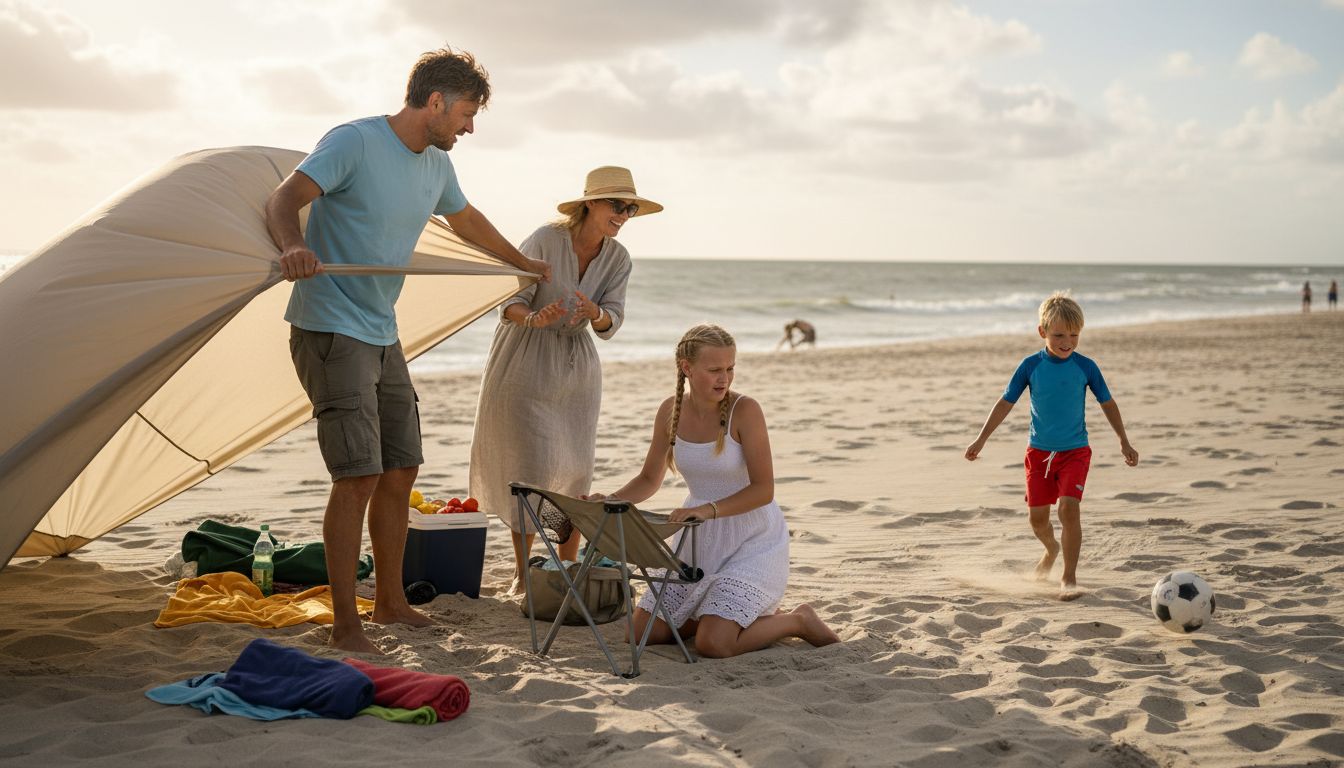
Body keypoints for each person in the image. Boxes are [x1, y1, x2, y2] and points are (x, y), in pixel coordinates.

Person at [264, 48, 551, 654]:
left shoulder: (436, 168)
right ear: (437, 101)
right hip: (330, 326)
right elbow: (282, 200)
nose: (469, 128)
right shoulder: (355, 142)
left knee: (401, 468)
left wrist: (521, 264)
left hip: (380, 328)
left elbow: (467, 221)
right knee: (358, 474)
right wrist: (292, 245)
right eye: (467, 114)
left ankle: (390, 602)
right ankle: (347, 621)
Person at [588, 324, 840, 658]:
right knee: (641, 634)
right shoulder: (669, 412)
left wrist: (708, 510)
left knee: (714, 644)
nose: (725, 379)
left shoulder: (745, 410)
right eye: (714, 370)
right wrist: (609, 500)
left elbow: (764, 490)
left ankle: (797, 620)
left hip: (752, 538)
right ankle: (721, 615)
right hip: (697, 538)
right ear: (686, 367)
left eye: (730, 369)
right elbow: (649, 478)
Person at [469, 166, 661, 595]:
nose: (624, 214)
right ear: (589, 202)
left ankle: (565, 567)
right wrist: (535, 318)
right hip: (524, 358)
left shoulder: (618, 258)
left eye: (630, 207)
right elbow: (508, 300)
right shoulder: (543, 240)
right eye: (617, 204)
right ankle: (523, 571)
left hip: (577, 368)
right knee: (531, 469)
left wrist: (595, 313)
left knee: (575, 470)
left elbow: (613, 320)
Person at [963, 292, 1139, 601]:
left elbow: (1108, 404)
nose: (1067, 341)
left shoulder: (1086, 367)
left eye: (1074, 334)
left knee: (1068, 509)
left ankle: (1068, 577)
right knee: (1037, 520)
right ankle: (1051, 549)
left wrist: (1123, 440)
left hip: (1075, 452)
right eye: (1059, 334)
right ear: (1042, 332)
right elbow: (1005, 403)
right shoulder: (1030, 366)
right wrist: (981, 438)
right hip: (1039, 453)